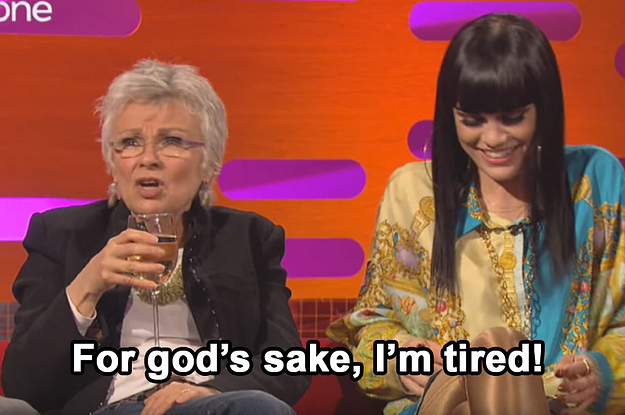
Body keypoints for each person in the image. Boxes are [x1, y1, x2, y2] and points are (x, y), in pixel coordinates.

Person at [327, 13, 625, 415]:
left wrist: (602, 373)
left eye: (512, 118)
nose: (493, 139)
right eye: (472, 121)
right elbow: (369, 329)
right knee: (494, 360)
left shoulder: (594, 182)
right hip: (447, 403)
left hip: (562, 408)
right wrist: (401, 358)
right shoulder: (412, 192)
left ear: (544, 109)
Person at [1, 59, 310, 415]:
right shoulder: (62, 234)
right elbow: (22, 383)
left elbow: (288, 364)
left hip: (213, 407)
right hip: (110, 409)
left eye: (172, 141)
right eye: (130, 142)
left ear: (209, 163)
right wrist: (88, 284)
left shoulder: (250, 237)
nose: (148, 159)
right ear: (112, 161)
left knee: (256, 409)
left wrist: (210, 389)